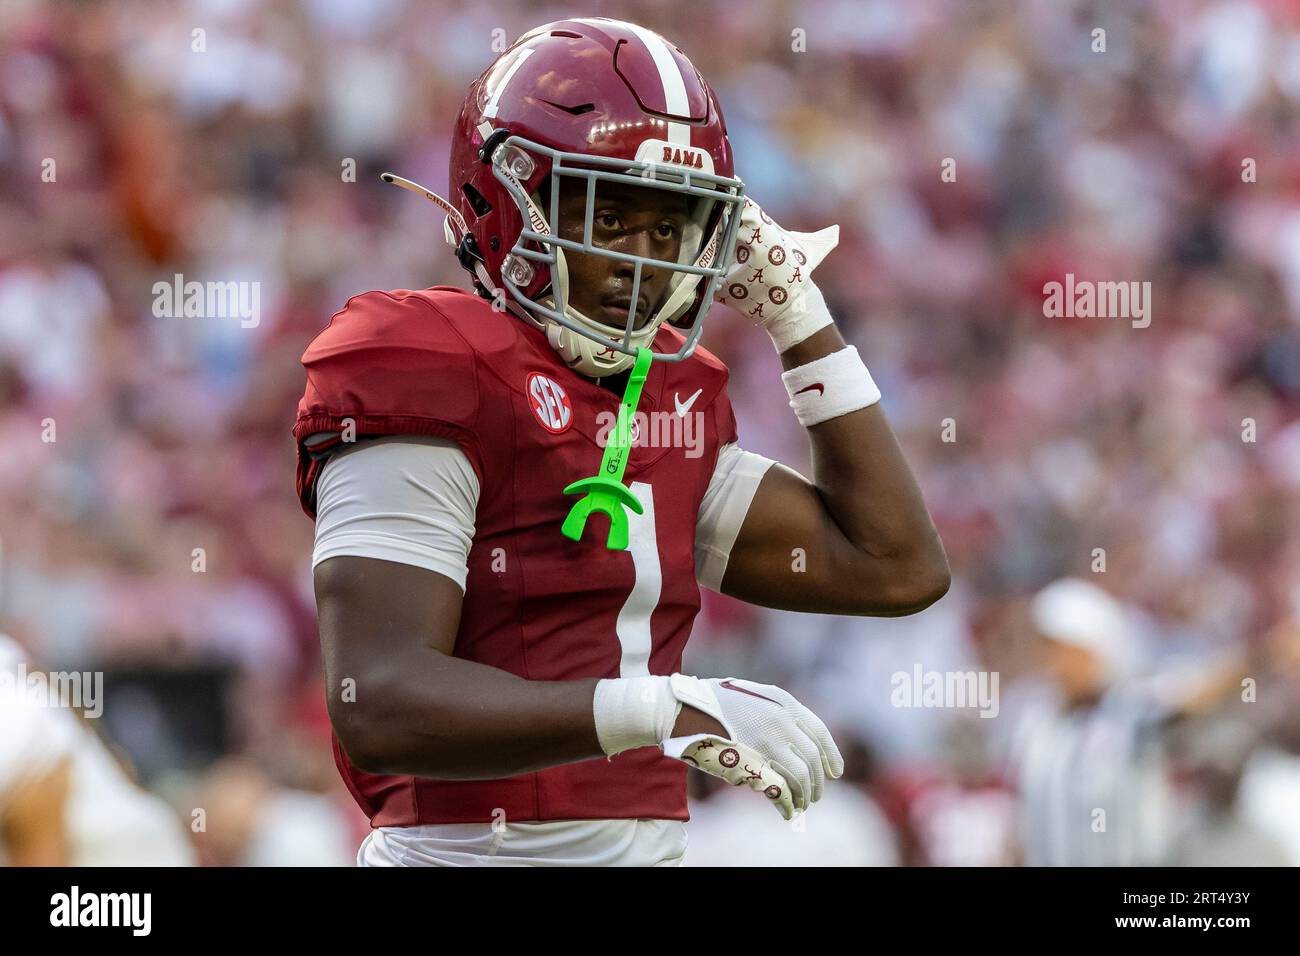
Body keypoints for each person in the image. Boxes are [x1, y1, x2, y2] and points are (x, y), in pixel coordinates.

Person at [294, 17, 948, 866]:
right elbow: (376, 699)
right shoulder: (426, 359)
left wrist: (801, 319)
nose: (642, 263)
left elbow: (894, 566)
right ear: (507, 198)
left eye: (671, 229)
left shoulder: (670, 398)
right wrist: (661, 709)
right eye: (609, 216)